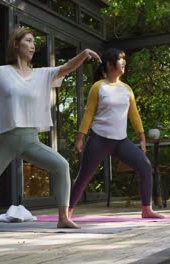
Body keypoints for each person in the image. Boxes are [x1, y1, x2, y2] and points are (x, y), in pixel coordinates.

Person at [0, 27, 101, 229]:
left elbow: (66, 68)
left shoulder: (42, 75)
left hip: (30, 140)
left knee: (62, 165)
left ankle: (63, 218)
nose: (32, 45)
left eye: (33, 42)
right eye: (28, 40)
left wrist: (83, 54)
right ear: (16, 44)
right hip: (5, 140)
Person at [68, 48, 164, 219]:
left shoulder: (127, 89)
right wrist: (80, 138)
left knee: (145, 166)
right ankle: (66, 213)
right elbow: (88, 113)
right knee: (84, 176)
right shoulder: (98, 87)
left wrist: (141, 136)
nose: (124, 62)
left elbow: (134, 114)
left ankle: (146, 209)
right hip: (99, 140)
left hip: (121, 142)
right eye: (121, 59)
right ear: (110, 64)